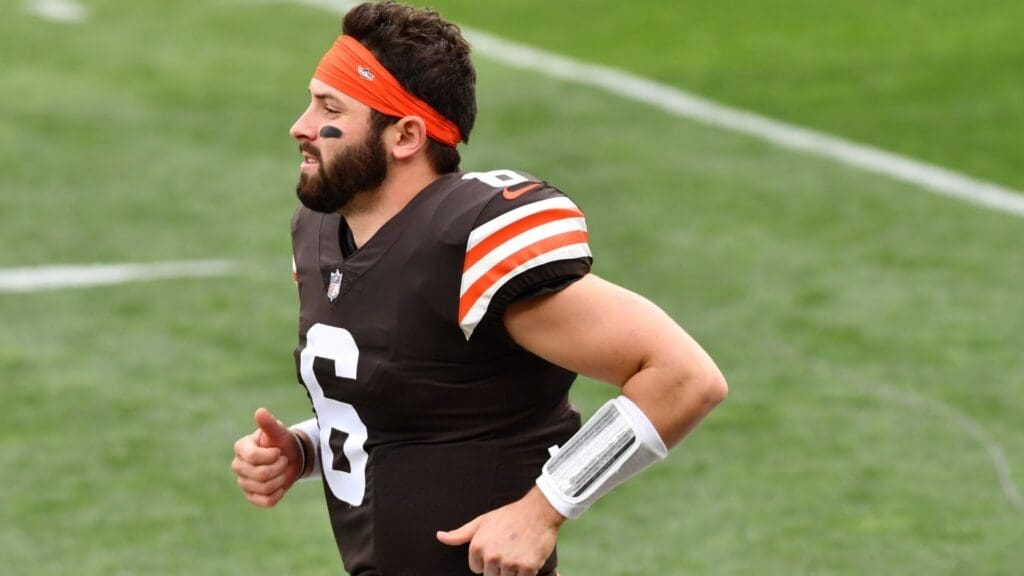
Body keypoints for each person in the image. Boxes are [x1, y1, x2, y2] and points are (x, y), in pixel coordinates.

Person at [230, 2, 727, 575]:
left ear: (405, 136)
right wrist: (305, 449)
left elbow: (684, 377)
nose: (302, 124)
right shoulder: (321, 231)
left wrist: (545, 509)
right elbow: (419, 401)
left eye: (329, 107)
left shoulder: (464, 242)